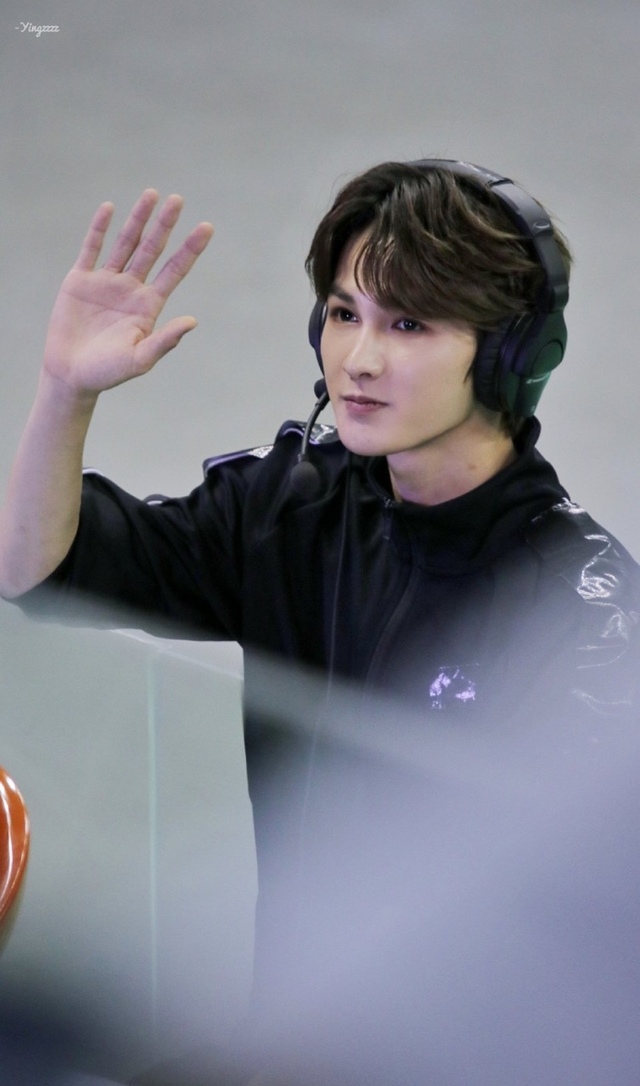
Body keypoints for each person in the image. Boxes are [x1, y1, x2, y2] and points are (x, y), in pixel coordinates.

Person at [2, 160, 640, 1084]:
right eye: (345, 313)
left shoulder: (583, 619)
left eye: (408, 324)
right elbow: (38, 568)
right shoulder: (294, 505)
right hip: (303, 1046)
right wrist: (66, 393)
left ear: (509, 353)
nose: (359, 359)